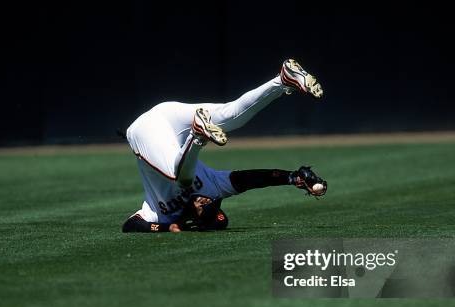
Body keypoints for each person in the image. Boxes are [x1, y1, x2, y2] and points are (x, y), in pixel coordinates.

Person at [122, 59, 327, 233]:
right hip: (167, 116)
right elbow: (251, 179)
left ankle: (197, 135)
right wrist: (292, 177)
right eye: (212, 203)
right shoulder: (214, 188)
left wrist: (168, 228)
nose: (207, 201)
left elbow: (130, 225)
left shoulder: (161, 215)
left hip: (143, 130)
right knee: (230, 116)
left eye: (205, 208)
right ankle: (283, 80)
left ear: (195, 218)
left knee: (179, 176)